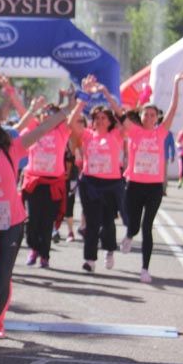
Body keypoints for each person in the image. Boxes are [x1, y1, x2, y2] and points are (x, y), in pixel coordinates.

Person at [0, 97, 77, 339]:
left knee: (2, 275)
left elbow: (43, 128)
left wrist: (66, 108)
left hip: (10, 223)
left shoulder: (12, 149)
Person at [119, 72, 183, 282]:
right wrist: (105, 92)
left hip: (153, 188)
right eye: (145, 114)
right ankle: (129, 236)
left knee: (147, 226)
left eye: (153, 115)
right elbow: (118, 112)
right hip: (133, 185)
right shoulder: (134, 132)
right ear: (140, 117)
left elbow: (174, 108)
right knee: (132, 224)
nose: (149, 117)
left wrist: (176, 83)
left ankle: (144, 269)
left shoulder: (161, 132)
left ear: (157, 118)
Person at [22, 96, 84, 269]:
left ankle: (44, 255)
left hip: (53, 184)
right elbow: (22, 113)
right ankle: (33, 249)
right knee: (32, 220)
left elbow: (72, 117)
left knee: (47, 221)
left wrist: (81, 101)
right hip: (34, 182)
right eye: (45, 113)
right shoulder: (34, 129)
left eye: (52, 114)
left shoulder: (62, 132)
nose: (47, 116)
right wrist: (11, 91)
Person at [77, 76, 124, 273]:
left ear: (109, 121)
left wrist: (106, 94)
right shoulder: (87, 135)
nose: (100, 120)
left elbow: (121, 115)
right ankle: (90, 259)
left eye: (104, 117)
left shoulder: (116, 134)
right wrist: (85, 95)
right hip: (90, 182)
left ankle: (109, 250)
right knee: (92, 221)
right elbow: (72, 121)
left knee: (107, 222)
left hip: (111, 183)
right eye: (97, 118)